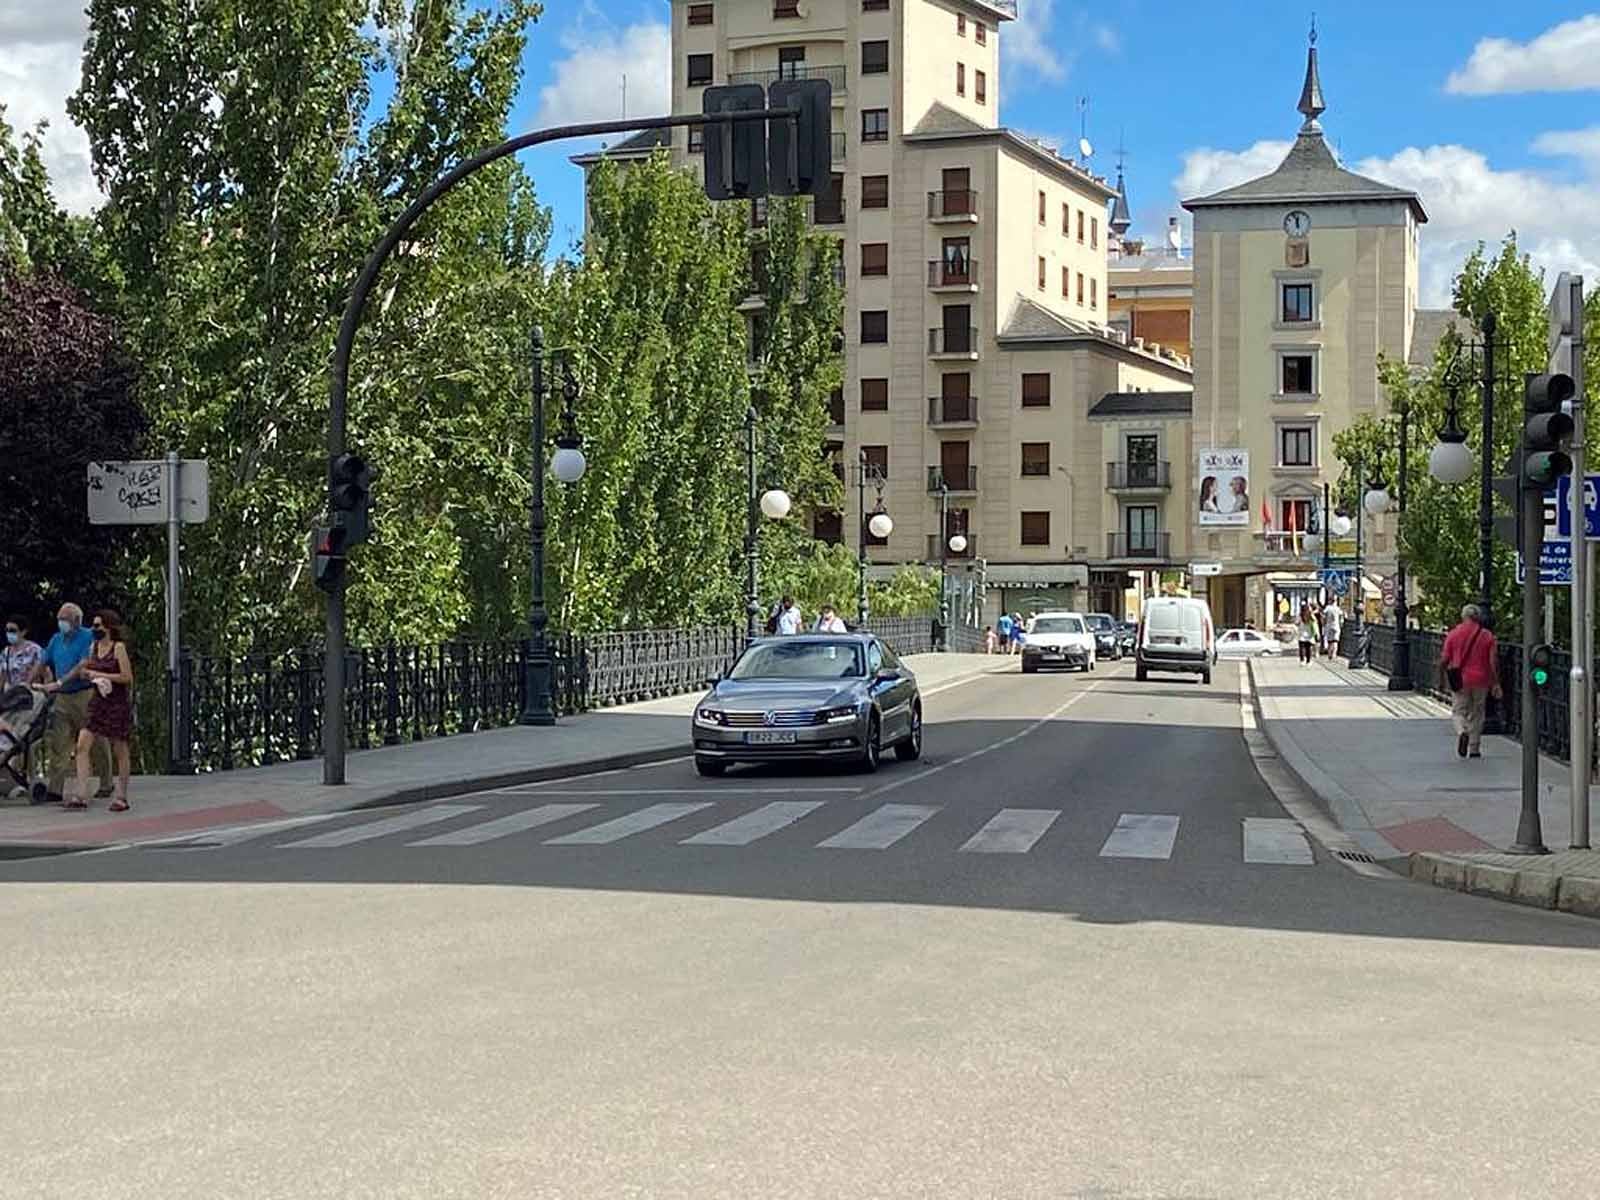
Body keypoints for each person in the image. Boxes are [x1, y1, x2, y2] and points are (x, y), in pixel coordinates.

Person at [45, 608, 134, 811]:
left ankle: (121, 795)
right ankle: (81, 794)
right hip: (97, 702)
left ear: (108, 627)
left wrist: (101, 675)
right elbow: (87, 667)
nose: (94, 629)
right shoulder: (93, 647)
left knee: (119, 749)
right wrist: (87, 674)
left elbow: (127, 677)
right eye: (94, 625)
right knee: (82, 745)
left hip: (116, 703)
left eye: (97, 625)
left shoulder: (118, 648)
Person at [32, 602, 112, 804]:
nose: (61, 623)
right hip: (62, 697)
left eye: (65, 619)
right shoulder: (56, 639)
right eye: (60, 619)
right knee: (59, 742)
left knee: (96, 741)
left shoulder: (87, 637)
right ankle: (55, 788)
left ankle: (106, 783)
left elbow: (82, 665)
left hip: (84, 693)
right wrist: (30, 682)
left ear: (76, 621)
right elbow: (43, 661)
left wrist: (60, 681)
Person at [1440, 604, 1501, 759]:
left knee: (1458, 711)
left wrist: (1441, 676)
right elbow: (1493, 661)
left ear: (1463, 616)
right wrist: (1495, 682)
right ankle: (1474, 748)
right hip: (1481, 679)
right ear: (1478, 617)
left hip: (1459, 679)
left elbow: (1445, 659)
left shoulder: (1453, 634)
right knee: (1477, 712)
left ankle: (1462, 731)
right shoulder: (1487, 636)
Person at [2, 616, 42, 687]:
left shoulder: (35, 650)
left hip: (29, 693)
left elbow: (47, 674)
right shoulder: (5, 652)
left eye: (12, 630)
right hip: (11, 694)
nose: (8, 633)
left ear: (23, 632)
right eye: (7, 630)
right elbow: (2, 676)